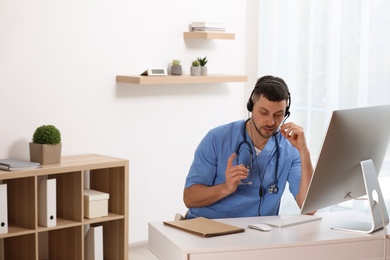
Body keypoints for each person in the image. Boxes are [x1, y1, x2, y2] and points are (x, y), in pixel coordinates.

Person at [183, 75, 314, 219]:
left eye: (278, 115)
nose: (271, 122)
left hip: (258, 234)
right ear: (251, 106)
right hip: (208, 227)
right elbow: (189, 198)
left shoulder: (290, 148)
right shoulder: (217, 138)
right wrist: (225, 188)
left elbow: (309, 207)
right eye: (264, 112)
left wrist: (304, 151)